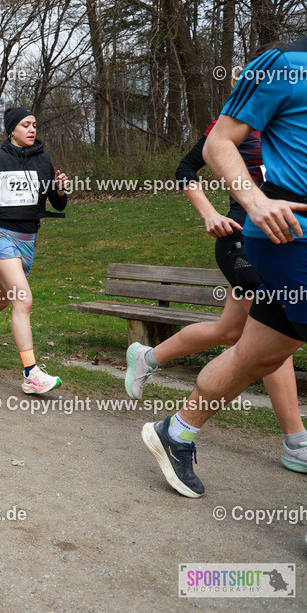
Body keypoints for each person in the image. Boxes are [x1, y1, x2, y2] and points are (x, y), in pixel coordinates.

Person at [142, 38, 307, 499]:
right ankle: (296, 440)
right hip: (274, 234)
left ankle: (176, 428)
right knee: (238, 334)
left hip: (269, 238)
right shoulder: (281, 69)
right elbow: (195, 162)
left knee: (253, 348)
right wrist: (231, 207)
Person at [0, 107, 69, 394]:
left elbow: (58, 204)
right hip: (0, 236)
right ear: (12, 130)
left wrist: (60, 189)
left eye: (34, 124)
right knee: (23, 299)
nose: (32, 129)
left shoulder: (43, 160)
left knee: (0, 300)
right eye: (25, 125)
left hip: (28, 239)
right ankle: (31, 373)